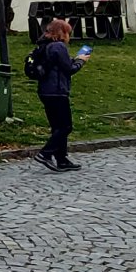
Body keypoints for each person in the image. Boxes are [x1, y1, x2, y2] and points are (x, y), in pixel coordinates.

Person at [31, 19, 88, 173]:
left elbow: (58, 65)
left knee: (57, 127)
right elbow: (69, 69)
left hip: (45, 90)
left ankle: (62, 159)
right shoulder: (58, 46)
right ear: (63, 33)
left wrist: (73, 60)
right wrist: (81, 61)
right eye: (68, 32)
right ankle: (45, 153)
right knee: (65, 126)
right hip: (57, 91)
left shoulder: (44, 45)